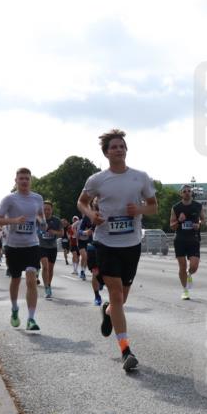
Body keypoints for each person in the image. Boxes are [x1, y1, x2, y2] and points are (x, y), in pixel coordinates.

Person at [78, 128, 157, 372]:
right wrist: (92, 214)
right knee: (115, 293)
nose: (119, 149)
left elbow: (153, 207)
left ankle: (109, 312)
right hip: (106, 243)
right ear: (106, 152)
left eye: (122, 146)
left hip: (131, 244)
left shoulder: (141, 177)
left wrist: (140, 210)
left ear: (126, 150)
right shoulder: (97, 180)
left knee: (121, 299)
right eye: (114, 146)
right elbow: (81, 202)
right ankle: (125, 350)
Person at [0, 168, 46, 331]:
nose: (24, 181)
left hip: (32, 244)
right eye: (21, 178)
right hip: (13, 246)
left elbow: (40, 215)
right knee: (16, 279)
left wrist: (42, 221)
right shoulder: (9, 199)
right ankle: (15, 309)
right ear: (16, 181)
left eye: (27, 179)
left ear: (31, 180)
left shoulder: (37, 198)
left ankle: (31, 319)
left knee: (31, 280)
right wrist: (14, 220)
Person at [169, 184, 203, 300]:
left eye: (189, 191)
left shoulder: (198, 206)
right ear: (181, 194)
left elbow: (203, 219)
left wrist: (198, 224)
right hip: (180, 240)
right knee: (182, 266)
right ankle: (185, 290)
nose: (187, 193)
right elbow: (172, 226)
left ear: (191, 193)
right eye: (184, 191)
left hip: (193, 239)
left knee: (194, 266)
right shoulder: (176, 208)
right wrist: (179, 220)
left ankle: (189, 274)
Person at [38, 201, 63, 299]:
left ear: (52, 210)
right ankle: (46, 288)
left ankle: (48, 284)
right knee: (45, 267)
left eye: (48, 209)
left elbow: (61, 233)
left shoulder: (56, 220)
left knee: (51, 269)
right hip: (41, 246)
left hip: (52, 247)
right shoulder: (39, 220)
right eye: (44, 209)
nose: (47, 211)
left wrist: (54, 232)